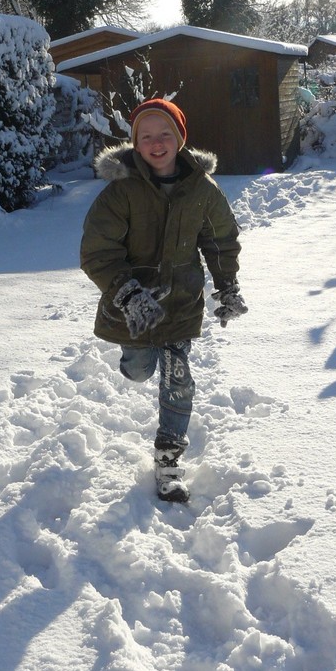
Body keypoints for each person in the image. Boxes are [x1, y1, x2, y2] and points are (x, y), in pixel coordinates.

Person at [80, 97, 247, 504]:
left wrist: (226, 285)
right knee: (139, 369)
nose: (157, 143)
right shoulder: (121, 192)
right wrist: (128, 293)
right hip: (131, 308)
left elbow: (220, 239)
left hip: (181, 302)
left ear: (181, 138)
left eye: (165, 134)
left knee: (178, 378)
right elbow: (98, 250)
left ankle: (169, 463)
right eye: (147, 136)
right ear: (136, 144)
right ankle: (135, 358)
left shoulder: (202, 189)